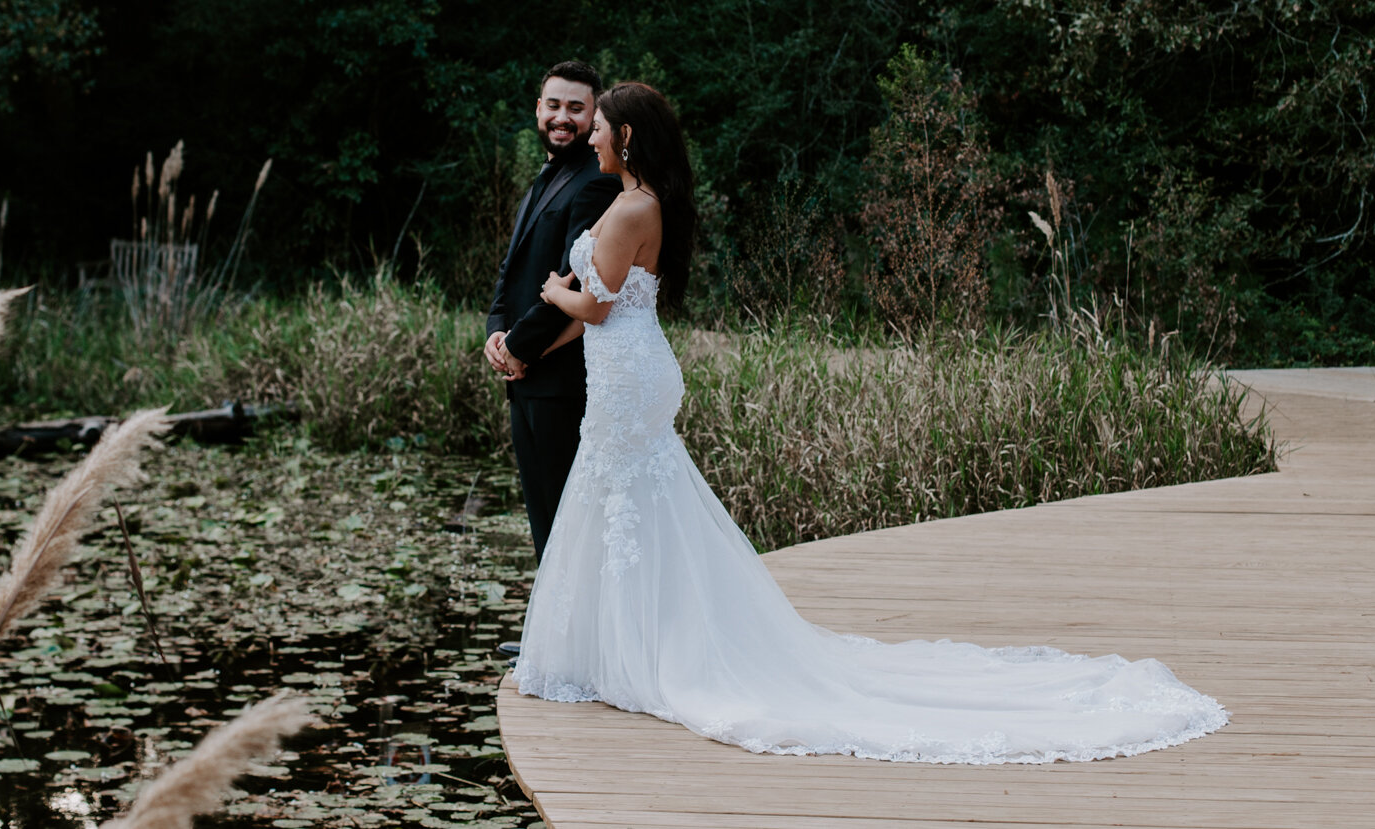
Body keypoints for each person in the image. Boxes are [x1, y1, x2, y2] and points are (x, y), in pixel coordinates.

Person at [513, 81, 1229, 764]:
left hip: (629, 370)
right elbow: (603, 308)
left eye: (602, 124)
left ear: (626, 134)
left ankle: (645, 652)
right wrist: (539, 330)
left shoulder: (635, 208)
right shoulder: (636, 199)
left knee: (634, 494)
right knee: (638, 499)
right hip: (626, 367)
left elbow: (600, 306)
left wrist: (553, 291)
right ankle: (632, 645)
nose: (594, 134)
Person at [485, 61, 625, 575]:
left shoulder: (596, 184)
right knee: (544, 516)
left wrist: (521, 350)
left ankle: (567, 644)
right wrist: (496, 332)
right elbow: (511, 272)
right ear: (538, 109)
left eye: (576, 108)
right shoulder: (547, 177)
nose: (562, 117)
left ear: (594, 117)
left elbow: (571, 283)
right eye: (554, 105)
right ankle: (549, 640)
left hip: (562, 378)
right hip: (523, 371)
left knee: (567, 518)